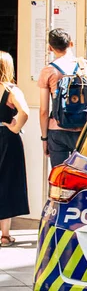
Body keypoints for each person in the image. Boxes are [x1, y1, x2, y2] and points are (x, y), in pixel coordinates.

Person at [38, 28, 87, 167]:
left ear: (50, 48)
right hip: (83, 130)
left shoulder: (48, 71)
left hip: (57, 129)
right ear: (71, 44)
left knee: (60, 178)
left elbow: (43, 111)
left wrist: (44, 139)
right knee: (85, 175)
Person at [0, 51, 30, 247]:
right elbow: (25, 112)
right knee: (6, 182)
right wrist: (15, 128)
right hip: (6, 139)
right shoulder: (10, 90)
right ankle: (4, 235)